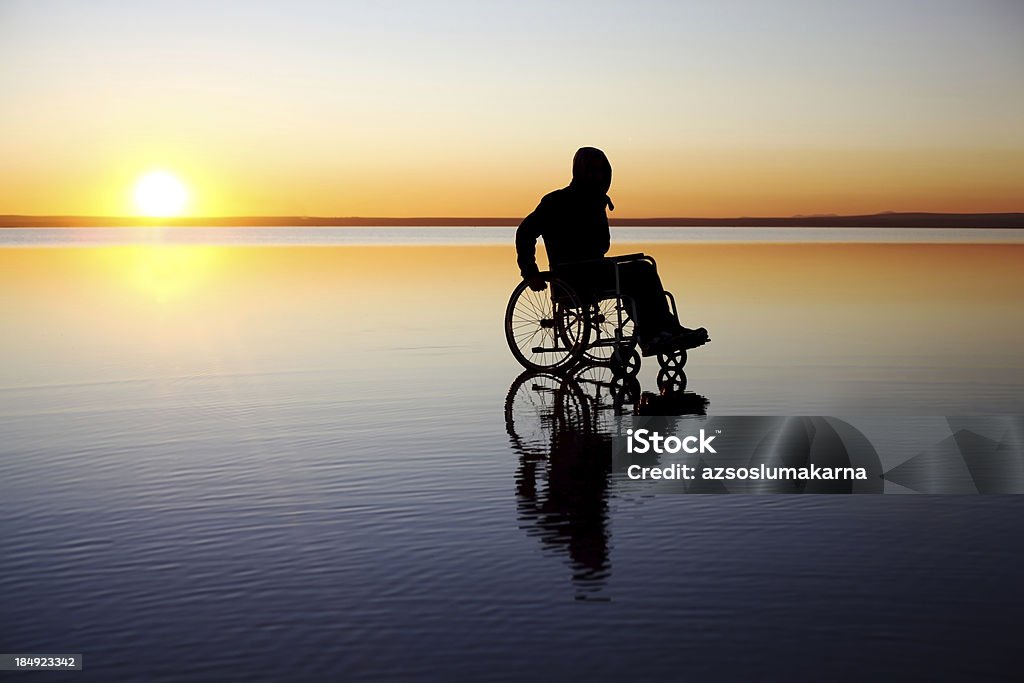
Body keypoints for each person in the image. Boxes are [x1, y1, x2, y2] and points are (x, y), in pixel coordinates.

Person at [515, 146, 709, 355]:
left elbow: (601, 246)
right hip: (572, 277)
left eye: (601, 171)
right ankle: (652, 334)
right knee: (639, 272)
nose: (597, 176)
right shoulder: (556, 201)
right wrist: (530, 272)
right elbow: (525, 232)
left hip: (594, 270)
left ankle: (666, 329)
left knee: (642, 269)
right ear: (580, 171)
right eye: (592, 171)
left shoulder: (595, 201)